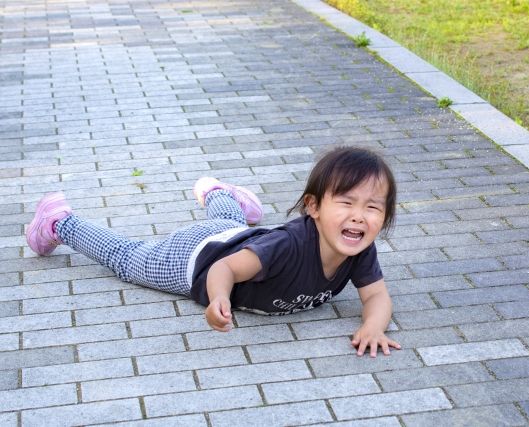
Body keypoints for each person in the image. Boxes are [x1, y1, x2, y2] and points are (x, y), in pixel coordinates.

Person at [26, 146, 401, 357]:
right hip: (191, 259)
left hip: (234, 235)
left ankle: (219, 194)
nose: (358, 217)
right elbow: (225, 268)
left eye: (372, 207)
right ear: (313, 207)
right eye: (346, 203)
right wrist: (217, 298)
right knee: (127, 259)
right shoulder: (286, 246)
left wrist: (371, 327)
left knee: (231, 228)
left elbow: (377, 296)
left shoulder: (356, 248)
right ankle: (60, 221)